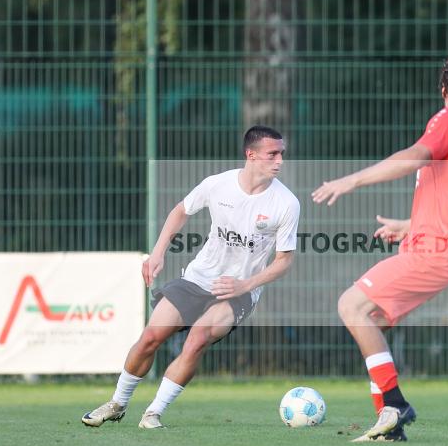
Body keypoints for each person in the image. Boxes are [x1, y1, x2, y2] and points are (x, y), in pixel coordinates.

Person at [312, 51, 448, 442]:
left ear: (445, 91)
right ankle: (388, 426)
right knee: (370, 321)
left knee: (350, 305)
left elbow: (415, 157)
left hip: (434, 250)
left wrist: (352, 181)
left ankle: (394, 403)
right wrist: (410, 224)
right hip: (442, 248)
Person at [83, 126, 300, 429]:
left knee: (197, 339)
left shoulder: (286, 203)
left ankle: (153, 413)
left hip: (239, 292)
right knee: (150, 338)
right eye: (272, 154)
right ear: (250, 155)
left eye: (282, 154)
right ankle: (117, 403)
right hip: (199, 278)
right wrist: (157, 253)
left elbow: (284, 262)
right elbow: (180, 211)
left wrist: (246, 285)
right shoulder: (218, 185)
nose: (279, 161)